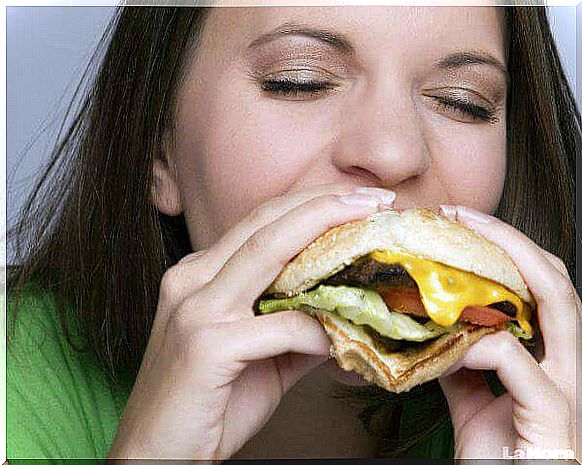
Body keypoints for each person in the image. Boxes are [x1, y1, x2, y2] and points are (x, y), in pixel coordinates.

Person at [7, 4, 580, 461]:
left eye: (464, 103)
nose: (394, 152)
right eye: (298, 81)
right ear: (161, 152)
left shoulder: (548, 412)